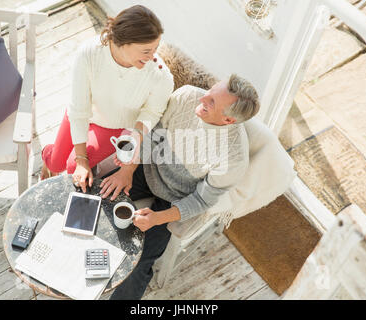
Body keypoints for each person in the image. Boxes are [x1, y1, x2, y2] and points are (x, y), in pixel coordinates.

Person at [99, 74, 260, 299]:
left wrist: (156, 218)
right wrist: (127, 170)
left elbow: (201, 201)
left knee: (138, 261)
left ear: (228, 120)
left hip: (174, 200)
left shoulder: (233, 158)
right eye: (210, 91)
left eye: (212, 102)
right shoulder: (187, 96)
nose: (203, 98)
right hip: (147, 168)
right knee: (95, 198)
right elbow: (152, 135)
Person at [40, 5, 174, 193]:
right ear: (124, 42)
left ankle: (63, 158)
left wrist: (136, 135)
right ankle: (49, 155)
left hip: (113, 127)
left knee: (71, 168)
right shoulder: (88, 53)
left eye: (155, 48)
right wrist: (81, 158)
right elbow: (78, 109)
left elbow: (152, 111)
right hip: (81, 114)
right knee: (56, 163)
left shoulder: (161, 76)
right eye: (146, 51)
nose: (153, 57)